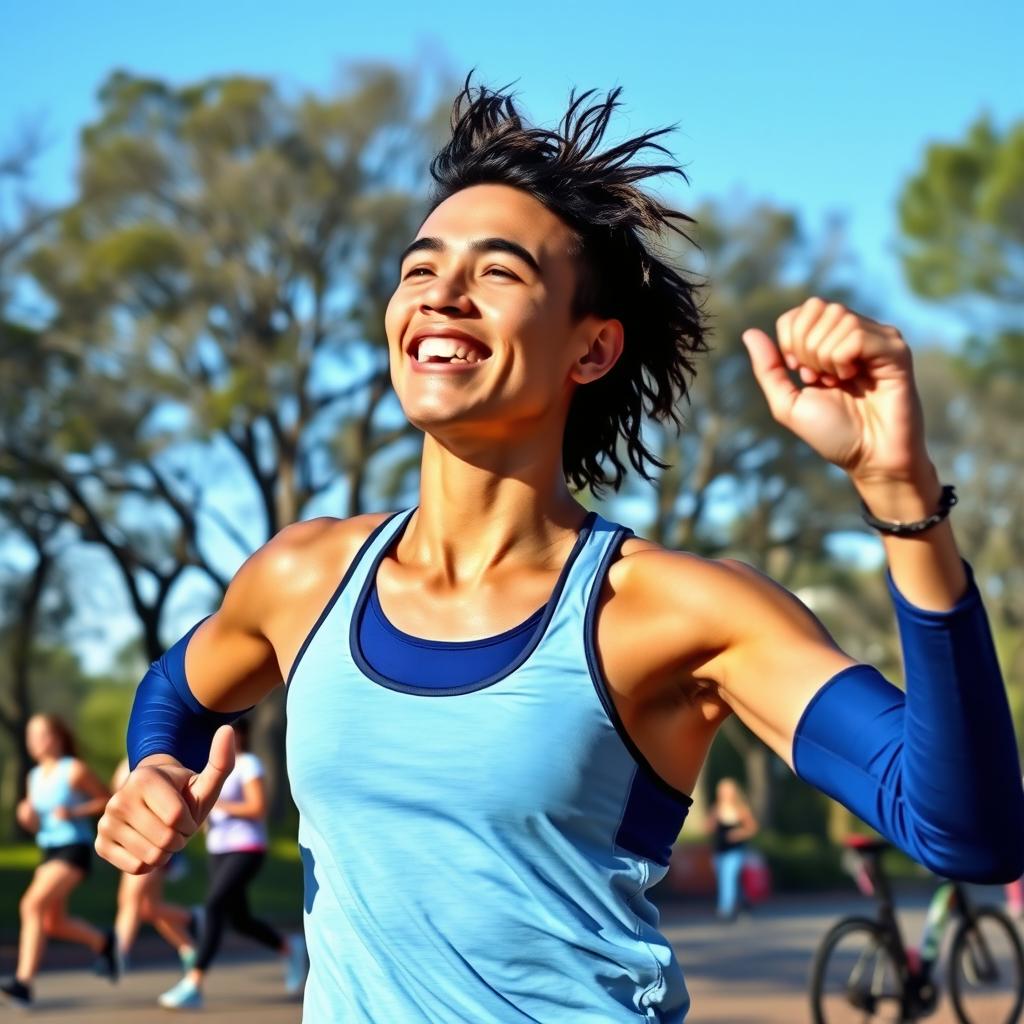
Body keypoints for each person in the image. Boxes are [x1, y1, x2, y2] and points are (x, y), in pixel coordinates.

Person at [95, 80, 1024, 1022]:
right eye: (419, 271)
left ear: (592, 350)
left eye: (497, 273)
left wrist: (901, 496)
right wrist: (154, 768)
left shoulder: (678, 612)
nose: (441, 296)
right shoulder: (303, 576)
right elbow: (176, 694)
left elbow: (969, 835)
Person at [157, 717, 306, 1010]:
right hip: (219, 850)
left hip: (246, 847)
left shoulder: (248, 764)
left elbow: (257, 807)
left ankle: (194, 983)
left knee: (214, 906)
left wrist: (219, 805)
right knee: (238, 920)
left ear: (241, 735)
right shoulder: (208, 768)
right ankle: (290, 947)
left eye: (229, 733)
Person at [0, 715, 117, 1009]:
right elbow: (38, 824)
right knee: (53, 923)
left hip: (74, 848)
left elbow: (107, 799)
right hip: (49, 850)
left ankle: (23, 983)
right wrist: (27, 819)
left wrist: (75, 812)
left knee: (32, 905)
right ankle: (104, 942)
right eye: (30, 736)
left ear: (56, 738)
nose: (33, 742)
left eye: (40, 735)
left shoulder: (73, 770)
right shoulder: (34, 777)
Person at [110, 757, 198, 973]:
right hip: (133, 839)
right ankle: (191, 937)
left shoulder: (161, 760)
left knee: (130, 899)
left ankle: (117, 953)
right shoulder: (124, 765)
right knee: (148, 908)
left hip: (152, 839)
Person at [705, 778, 758, 921]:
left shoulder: (741, 809)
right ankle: (745, 902)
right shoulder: (716, 809)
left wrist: (739, 833)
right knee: (730, 880)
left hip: (735, 851)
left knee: (727, 878)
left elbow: (752, 828)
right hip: (719, 850)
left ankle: (725, 911)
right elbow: (708, 828)